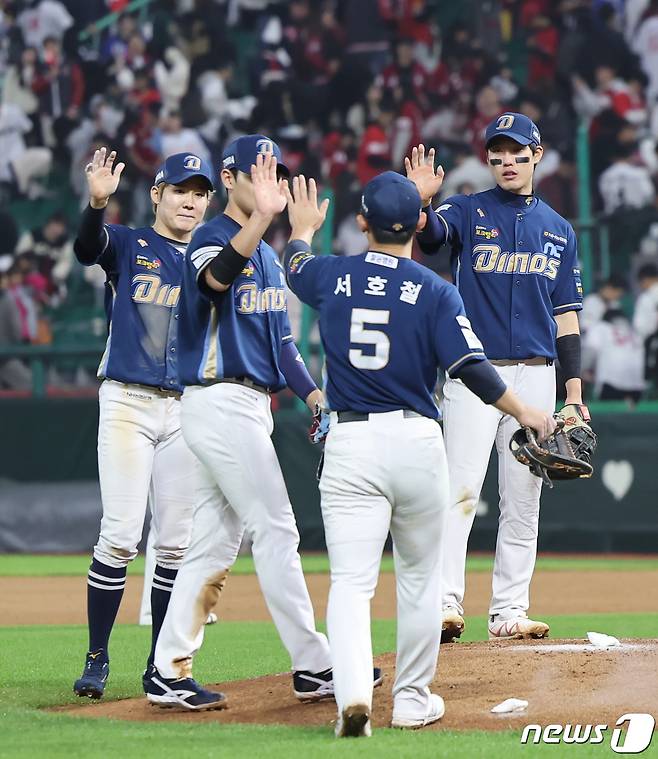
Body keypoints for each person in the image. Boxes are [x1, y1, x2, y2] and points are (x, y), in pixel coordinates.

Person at [282, 170, 556, 737]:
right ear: (419, 224)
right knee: (420, 583)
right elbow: (470, 369)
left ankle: (353, 695)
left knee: (352, 583)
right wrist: (523, 411)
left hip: (351, 442)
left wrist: (304, 230)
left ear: (361, 223)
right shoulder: (435, 290)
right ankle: (410, 699)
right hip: (415, 442)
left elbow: (295, 265)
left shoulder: (332, 275)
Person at [144, 136, 381, 711]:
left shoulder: (272, 259)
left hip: (251, 404)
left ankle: (167, 669)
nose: (272, 186)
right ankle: (313, 664)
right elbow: (212, 282)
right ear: (230, 180)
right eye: (260, 175)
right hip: (217, 400)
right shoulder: (209, 237)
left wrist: (314, 393)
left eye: (277, 176)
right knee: (277, 529)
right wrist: (268, 220)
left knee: (212, 544)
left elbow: (282, 345)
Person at [406, 113, 587, 643]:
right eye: (497, 152)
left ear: (537, 155)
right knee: (459, 489)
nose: (506, 160)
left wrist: (573, 392)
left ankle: (509, 611)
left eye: (517, 151)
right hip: (476, 373)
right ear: (487, 159)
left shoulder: (559, 229)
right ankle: (443, 603)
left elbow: (567, 317)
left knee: (523, 497)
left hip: (537, 375)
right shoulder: (465, 209)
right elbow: (433, 238)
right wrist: (420, 202)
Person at [71, 147, 214, 699]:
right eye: (181, 190)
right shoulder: (131, 244)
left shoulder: (213, 257)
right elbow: (89, 248)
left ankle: (160, 665)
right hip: (128, 400)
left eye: (200, 192)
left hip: (186, 407)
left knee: (175, 543)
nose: (190, 201)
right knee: (122, 534)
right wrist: (96, 205)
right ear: (157, 194)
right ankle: (97, 656)